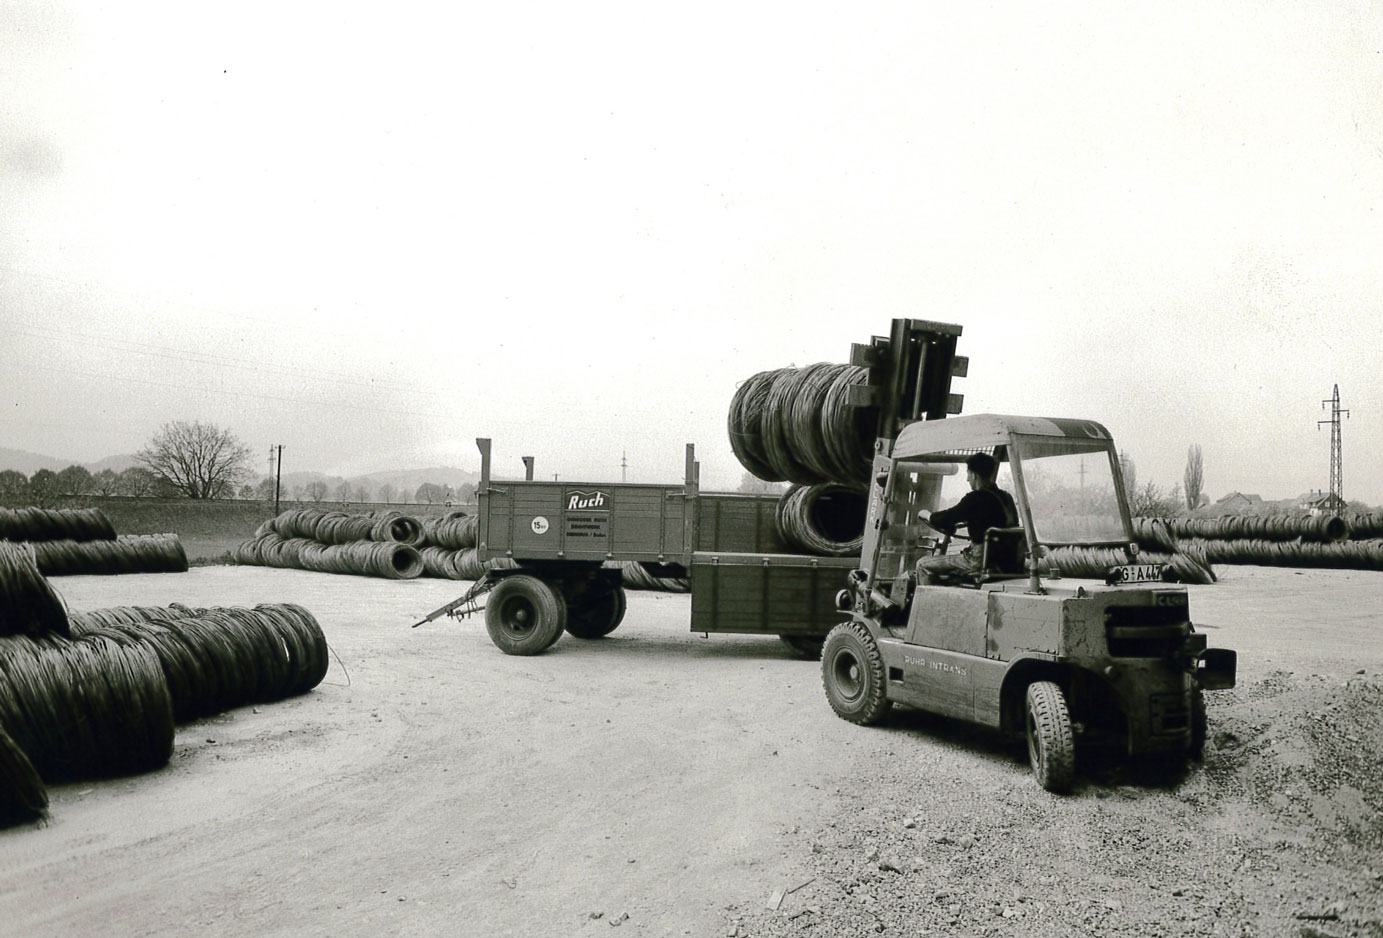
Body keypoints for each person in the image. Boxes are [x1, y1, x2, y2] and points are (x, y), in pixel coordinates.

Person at [915, 452, 1018, 584]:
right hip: (1007, 562)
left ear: (974, 475)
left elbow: (947, 517)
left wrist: (927, 515)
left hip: (978, 562)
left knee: (922, 564)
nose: (967, 479)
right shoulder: (1006, 498)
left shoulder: (975, 499)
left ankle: (926, 604)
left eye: (968, 474)